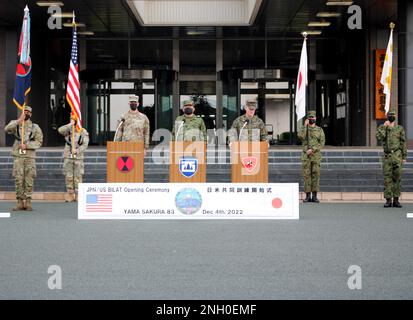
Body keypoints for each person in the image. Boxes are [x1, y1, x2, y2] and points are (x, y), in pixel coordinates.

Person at [4, 106, 43, 211]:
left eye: (28, 112)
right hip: (18, 156)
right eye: (24, 112)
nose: (26, 114)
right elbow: (6, 129)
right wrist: (18, 121)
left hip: (30, 156)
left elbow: (39, 141)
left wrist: (27, 145)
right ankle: (20, 201)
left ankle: (28, 201)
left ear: (31, 114)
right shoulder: (15, 123)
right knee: (18, 179)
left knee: (29, 179)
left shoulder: (35, 127)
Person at [376, 110, 407, 208]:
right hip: (387, 156)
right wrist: (385, 127)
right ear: (387, 117)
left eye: (393, 115)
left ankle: (396, 200)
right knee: (387, 179)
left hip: (397, 155)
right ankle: (388, 200)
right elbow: (379, 137)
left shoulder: (399, 128)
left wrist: (404, 156)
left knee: (397, 178)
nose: (391, 116)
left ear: (395, 116)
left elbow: (403, 142)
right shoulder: (382, 128)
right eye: (390, 115)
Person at [58, 116, 89, 202]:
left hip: (78, 157)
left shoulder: (83, 131)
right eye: (72, 119)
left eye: (75, 119)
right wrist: (70, 124)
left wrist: (77, 151)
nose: (73, 121)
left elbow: (85, 144)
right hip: (68, 156)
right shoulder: (68, 130)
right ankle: (70, 194)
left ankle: (78, 194)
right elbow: (60, 130)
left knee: (78, 176)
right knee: (69, 176)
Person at [297, 110, 325, 203]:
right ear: (307, 119)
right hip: (306, 156)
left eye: (313, 117)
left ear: (315, 118)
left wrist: (312, 149)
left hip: (316, 156)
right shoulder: (304, 129)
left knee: (316, 175)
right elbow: (300, 137)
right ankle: (307, 196)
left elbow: (322, 143)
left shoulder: (319, 130)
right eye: (310, 118)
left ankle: (315, 196)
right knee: (306, 176)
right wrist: (305, 126)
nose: (311, 119)